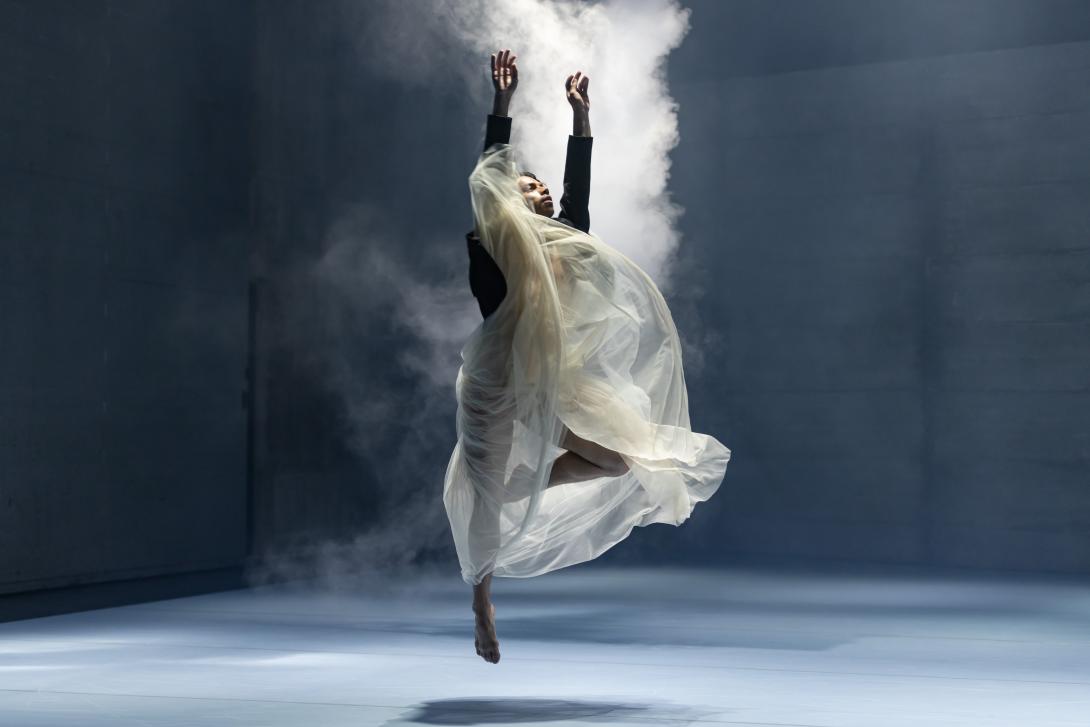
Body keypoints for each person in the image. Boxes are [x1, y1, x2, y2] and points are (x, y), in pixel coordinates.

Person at [443, 48, 731, 665]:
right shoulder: (492, 239)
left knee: (615, 459)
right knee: (484, 492)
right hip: (495, 380)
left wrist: (582, 118)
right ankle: (481, 605)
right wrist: (501, 104)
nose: (541, 188)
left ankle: (524, 486)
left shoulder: (566, 240)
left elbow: (578, 189)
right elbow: (490, 176)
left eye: (542, 184)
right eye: (530, 185)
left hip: (547, 380)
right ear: (510, 199)